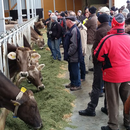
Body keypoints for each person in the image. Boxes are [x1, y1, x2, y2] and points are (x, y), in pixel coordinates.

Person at [94, 13, 130, 130]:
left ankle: (113, 125)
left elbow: (98, 56)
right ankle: (128, 122)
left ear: (112, 24)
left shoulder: (107, 39)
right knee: (127, 100)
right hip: (128, 74)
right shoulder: (129, 38)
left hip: (112, 75)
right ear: (123, 25)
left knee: (113, 101)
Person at [79, 13, 111, 117]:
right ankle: (107, 108)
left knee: (97, 86)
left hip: (100, 63)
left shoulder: (100, 31)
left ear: (100, 21)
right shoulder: (110, 29)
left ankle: (91, 108)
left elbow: (97, 49)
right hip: (110, 64)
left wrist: (95, 61)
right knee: (107, 87)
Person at [64, 16, 82, 91]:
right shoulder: (70, 29)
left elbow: (74, 45)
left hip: (74, 55)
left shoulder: (74, 30)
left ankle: (77, 84)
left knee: (75, 70)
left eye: (66, 21)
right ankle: (73, 82)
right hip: (71, 55)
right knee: (71, 69)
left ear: (70, 22)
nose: (65, 22)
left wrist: (69, 53)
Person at [84, 6, 97, 72]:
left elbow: (85, 26)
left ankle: (86, 68)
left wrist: (87, 18)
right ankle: (92, 66)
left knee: (87, 54)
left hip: (89, 38)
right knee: (92, 54)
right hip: (94, 38)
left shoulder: (90, 19)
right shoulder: (96, 18)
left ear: (90, 12)